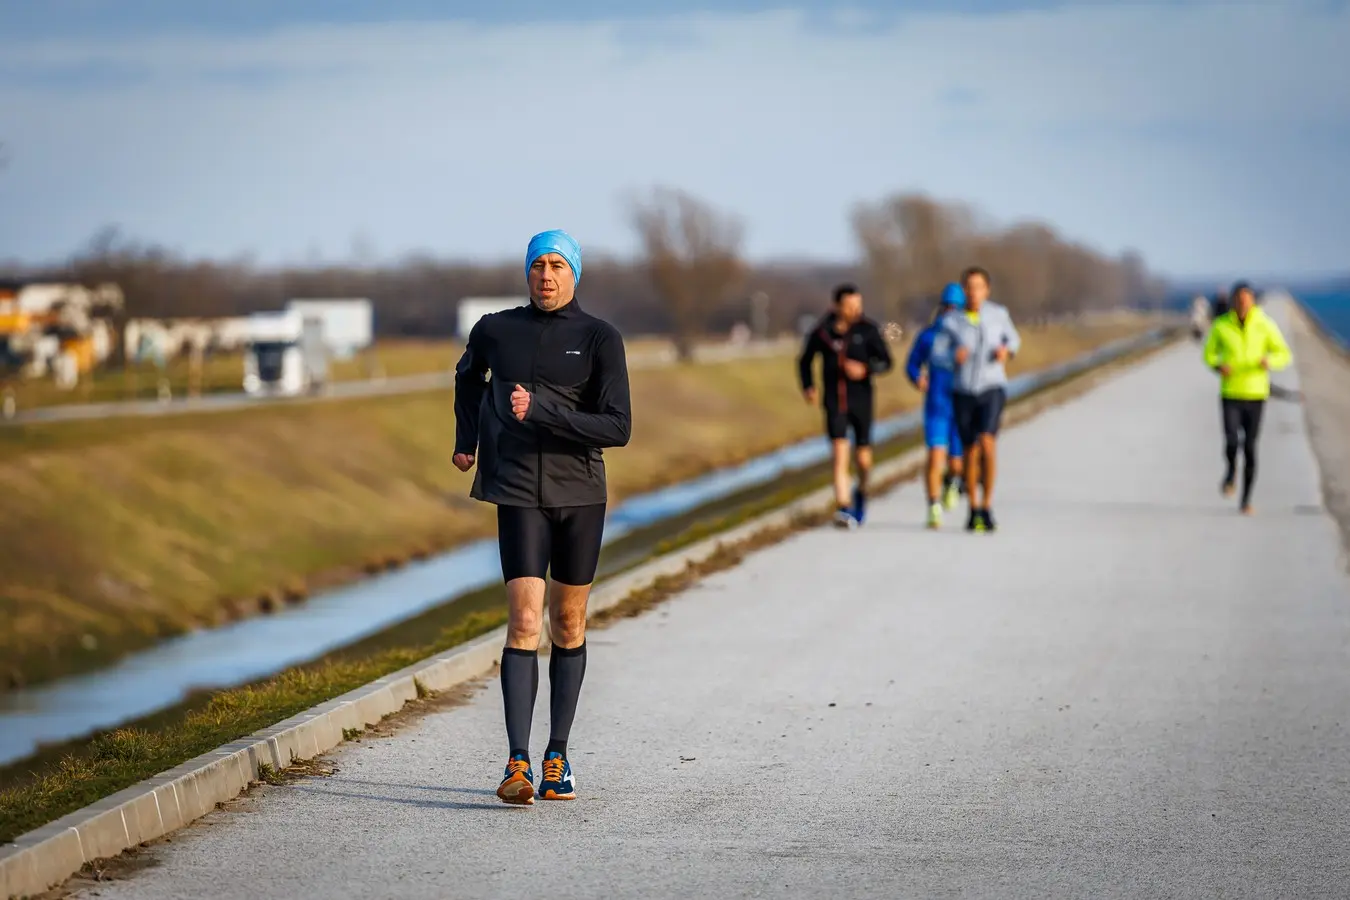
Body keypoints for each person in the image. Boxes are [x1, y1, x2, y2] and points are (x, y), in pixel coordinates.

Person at [452, 229, 631, 805]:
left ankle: (558, 754)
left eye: (557, 265)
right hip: (516, 490)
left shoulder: (599, 337)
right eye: (537, 266)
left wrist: (544, 409)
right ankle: (517, 763)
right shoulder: (495, 329)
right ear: (526, 273)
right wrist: (467, 440)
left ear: (575, 274)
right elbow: (466, 378)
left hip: (580, 492)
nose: (546, 275)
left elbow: (618, 427)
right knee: (525, 623)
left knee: (569, 624)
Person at [797, 283, 894, 528]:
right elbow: (805, 360)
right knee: (839, 455)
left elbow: (886, 362)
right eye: (850, 307)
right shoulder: (822, 332)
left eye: (858, 306)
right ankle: (844, 508)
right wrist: (808, 386)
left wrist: (865, 369)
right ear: (837, 306)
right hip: (834, 401)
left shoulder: (868, 329)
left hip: (862, 400)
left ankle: (861, 490)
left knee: (863, 460)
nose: (855, 311)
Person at [1202, 281, 1292, 515]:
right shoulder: (1221, 325)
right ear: (1233, 301)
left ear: (1252, 300)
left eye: (1246, 299)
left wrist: (1269, 362)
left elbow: (1283, 353)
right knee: (1232, 442)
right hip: (1230, 392)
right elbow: (1208, 353)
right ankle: (1231, 472)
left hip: (1256, 394)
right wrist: (1218, 365)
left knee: (1250, 448)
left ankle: (1246, 500)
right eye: (1239, 299)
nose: (1243, 303)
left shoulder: (1264, 324)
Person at [942, 266, 1021, 533]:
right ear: (963, 290)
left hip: (991, 387)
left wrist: (1005, 351)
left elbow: (1014, 341)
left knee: (987, 442)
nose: (973, 292)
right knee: (969, 450)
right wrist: (952, 355)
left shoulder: (998, 315)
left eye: (978, 287)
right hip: (963, 389)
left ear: (986, 290)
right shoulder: (952, 321)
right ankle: (973, 508)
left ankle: (987, 505)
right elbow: (937, 353)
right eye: (969, 287)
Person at [905, 282, 966, 529]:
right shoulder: (928, 336)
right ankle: (933, 507)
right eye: (947, 307)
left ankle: (952, 482)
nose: (951, 312)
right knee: (934, 457)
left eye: (956, 308)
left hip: (961, 405)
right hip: (936, 405)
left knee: (956, 463)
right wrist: (917, 377)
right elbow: (911, 364)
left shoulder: (968, 336)